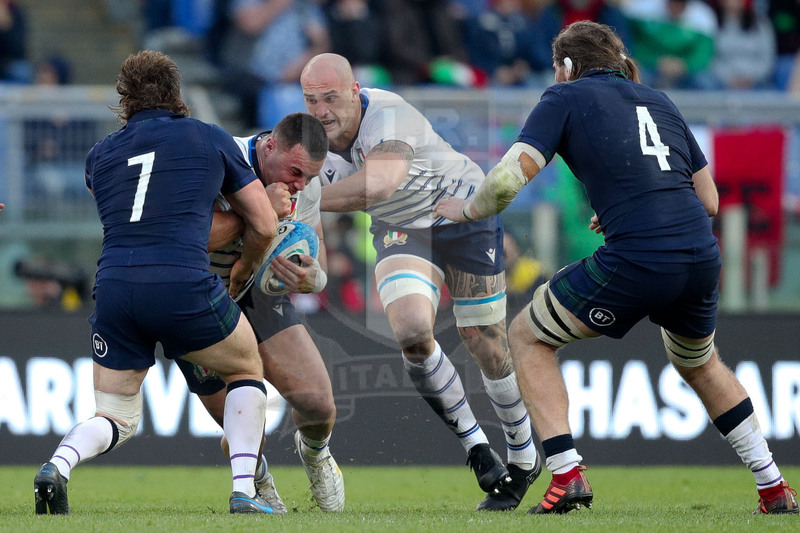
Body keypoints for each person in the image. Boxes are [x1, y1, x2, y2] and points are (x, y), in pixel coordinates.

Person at [434, 20, 798, 516]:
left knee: (528, 336)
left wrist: (468, 209)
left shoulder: (562, 97)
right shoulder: (660, 100)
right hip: (698, 253)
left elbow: (506, 180)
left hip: (641, 257)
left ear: (566, 66)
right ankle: (774, 487)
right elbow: (709, 200)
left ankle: (566, 475)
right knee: (700, 362)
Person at [33, 50, 279, 515]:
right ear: (176, 92)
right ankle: (245, 489)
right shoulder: (209, 137)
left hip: (115, 288)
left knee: (116, 415)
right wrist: (243, 267)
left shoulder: (98, 155)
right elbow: (264, 223)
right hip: (182, 281)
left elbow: (125, 214)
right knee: (246, 368)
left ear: (125, 98)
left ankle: (56, 467)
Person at [300, 53, 542, 512]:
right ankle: (477, 449)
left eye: (330, 98)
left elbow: (379, 186)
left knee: (484, 342)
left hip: (465, 212)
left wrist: (305, 202)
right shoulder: (306, 135)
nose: (321, 110)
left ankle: (524, 454)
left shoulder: (387, 114)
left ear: (355, 91)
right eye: (311, 100)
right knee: (412, 332)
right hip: (403, 230)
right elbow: (264, 161)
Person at [175, 112, 345, 513]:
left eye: (309, 176)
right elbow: (186, 236)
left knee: (319, 406)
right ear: (269, 146)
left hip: (257, 293)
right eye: (295, 171)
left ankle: (316, 454)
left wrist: (312, 278)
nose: (299, 184)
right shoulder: (217, 158)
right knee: (243, 428)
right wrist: (258, 212)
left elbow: (312, 252)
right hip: (198, 297)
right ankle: (259, 478)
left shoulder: (307, 185)